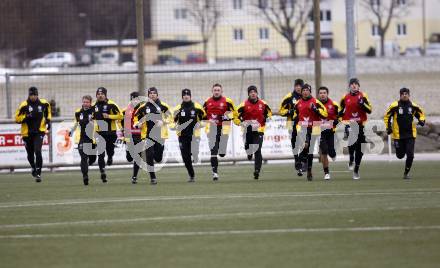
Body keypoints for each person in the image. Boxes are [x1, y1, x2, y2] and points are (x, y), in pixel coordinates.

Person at [384, 87, 425, 180]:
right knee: (400, 155)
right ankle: (400, 151)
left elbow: (421, 114)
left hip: (410, 134)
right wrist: (388, 128)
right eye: (403, 94)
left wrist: (422, 121)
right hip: (398, 135)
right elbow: (386, 117)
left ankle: (406, 173)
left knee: (410, 155)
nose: (404, 95)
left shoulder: (413, 106)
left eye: (406, 93)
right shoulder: (394, 106)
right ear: (400, 95)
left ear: (409, 95)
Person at [134, 87, 172, 185]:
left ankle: (159, 154)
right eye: (150, 93)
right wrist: (138, 123)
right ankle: (153, 177)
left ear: (157, 95)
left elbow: (171, 118)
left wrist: (163, 122)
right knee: (149, 155)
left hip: (160, 135)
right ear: (148, 95)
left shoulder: (164, 106)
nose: (152, 95)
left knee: (158, 158)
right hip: (147, 135)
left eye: (154, 93)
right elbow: (136, 117)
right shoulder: (143, 107)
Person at [235, 85, 272, 180]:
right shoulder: (243, 105)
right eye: (251, 92)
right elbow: (235, 116)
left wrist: (266, 118)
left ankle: (257, 170)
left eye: (254, 92)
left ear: (257, 93)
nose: (253, 93)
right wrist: (240, 123)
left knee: (257, 149)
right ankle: (249, 152)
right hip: (247, 131)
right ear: (248, 94)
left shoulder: (263, 104)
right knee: (248, 147)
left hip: (259, 131)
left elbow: (269, 113)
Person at [15, 87, 51, 182]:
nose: (33, 97)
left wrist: (48, 121)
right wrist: (26, 117)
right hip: (27, 134)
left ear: (37, 95)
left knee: (38, 151)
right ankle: (33, 167)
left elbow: (48, 112)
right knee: (30, 154)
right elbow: (17, 119)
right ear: (29, 95)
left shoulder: (44, 103)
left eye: (35, 95)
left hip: (39, 132)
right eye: (32, 95)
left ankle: (38, 173)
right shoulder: (24, 105)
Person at [339, 78, 372, 180]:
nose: (354, 86)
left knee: (361, 146)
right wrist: (341, 120)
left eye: (356, 84)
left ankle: (356, 169)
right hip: (349, 124)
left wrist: (363, 104)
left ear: (359, 86)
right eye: (352, 84)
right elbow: (341, 111)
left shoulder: (363, 96)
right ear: (349, 86)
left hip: (361, 124)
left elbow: (369, 110)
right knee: (352, 142)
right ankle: (351, 158)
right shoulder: (345, 97)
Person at [203, 83, 237, 181]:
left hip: (224, 129)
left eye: (218, 90)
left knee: (222, 153)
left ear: (221, 91)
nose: (216, 92)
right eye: (215, 90)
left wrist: (226, 116)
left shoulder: (228, 101)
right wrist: (208, 120)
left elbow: (234, 113)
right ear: (212, 91)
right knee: (213, 151)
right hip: (211, 129)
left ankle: (221, 151)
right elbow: (202, 115)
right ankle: (215, 173)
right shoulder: (207, 102)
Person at [294, 84, 328, 181]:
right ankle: (300, 162)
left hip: (314, 128)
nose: (305, 92)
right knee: (305, 145)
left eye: (307, 90)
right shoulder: (298, 103)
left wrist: (316, 110)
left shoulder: (315, 102)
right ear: (301, 92)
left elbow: (325, 114)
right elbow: (295, 114)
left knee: (310, 150)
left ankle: (308, 170)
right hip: (303, 128)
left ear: (310, 91)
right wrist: (295, 118)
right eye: (303, 90)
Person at [173, 89, 206, 182]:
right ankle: (192, 175)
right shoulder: (177, 109)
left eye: (188, 95)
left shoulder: (197, 107)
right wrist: (175, 126)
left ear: (190, 96)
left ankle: (195, 155)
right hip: (182, 136)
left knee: (194, 153)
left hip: (195, 135)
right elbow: (172, 121)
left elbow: (206, 119)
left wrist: (201, 124)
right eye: (184, 95)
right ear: (182, 96)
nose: (186, 96)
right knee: (185, 158)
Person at [93, 87, 123, 183]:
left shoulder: (112, 104)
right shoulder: (93, 105)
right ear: (96, 95)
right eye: (98, 94)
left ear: (105, 95)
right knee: (100, 154)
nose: (100, 95)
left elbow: (121, 116)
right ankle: (102, 172)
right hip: (99, 133)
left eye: (102, 94)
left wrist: (110, 116)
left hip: (111, 132)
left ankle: (110, 157)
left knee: (110, 150)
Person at [279, 78, 304, 176]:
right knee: (295, 144)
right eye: (297, 86)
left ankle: (301, 161)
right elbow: (281, 111)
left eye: (300, 86)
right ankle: (297, 160)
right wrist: (289, 112)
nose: (298, 87)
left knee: (304, 143)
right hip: (292, 124)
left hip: (303, 124)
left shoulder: (307, 96)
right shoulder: (289, 97)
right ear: (294, 87)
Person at [70, 95, 97, 185]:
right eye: (84, 102)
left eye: (87, 102)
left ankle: (86, 167)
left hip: (92, 139)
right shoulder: (78, 112)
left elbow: (98, 123)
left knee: (92, 159)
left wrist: (92, 122)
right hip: (82, 138)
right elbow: (76, 123)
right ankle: (85, 176)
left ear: (90, 103)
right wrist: (71, 131)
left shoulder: (94, 111)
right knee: (84, 157)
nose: (85, 104)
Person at [317, 86, 340, 180]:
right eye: (321, 93)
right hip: (319, 132)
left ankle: (333, 154)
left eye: (324, 93)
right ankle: (326, 173)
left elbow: (340, 115)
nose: (322, 94)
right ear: (318, 95)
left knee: (331, 152)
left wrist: (336, 121)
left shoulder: (334, 104)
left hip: (331, 131)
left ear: (327, 94)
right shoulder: (315, 104)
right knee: (324, 151)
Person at [121, 91, 144, 184]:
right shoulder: (125, 111)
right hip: (129, 136)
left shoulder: (143, 109)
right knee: (129, 158)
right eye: (133, 99)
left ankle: (134, 176)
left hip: (139, 135)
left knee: (138, 156)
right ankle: (128, 151)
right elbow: (121, 123)